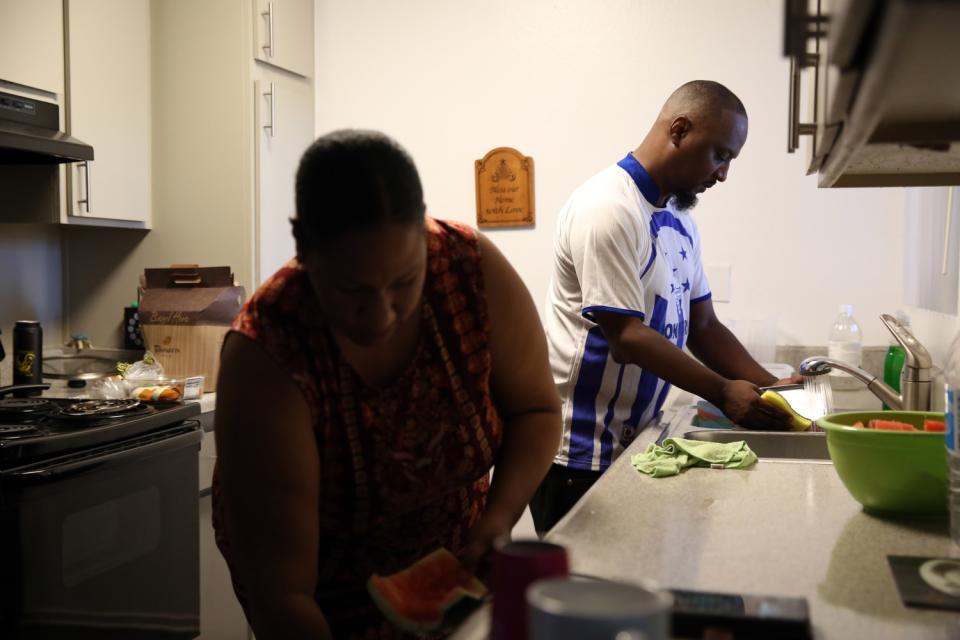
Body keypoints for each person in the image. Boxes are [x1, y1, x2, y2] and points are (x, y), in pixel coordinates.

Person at [212, 130, 560, 639]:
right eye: (352, 289)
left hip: (458, 584)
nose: (382, 316)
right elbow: (283, 597)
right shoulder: (267, 351)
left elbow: (536, 412)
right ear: (302, 244)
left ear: (424, 237)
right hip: (328, 605)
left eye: (404, 282)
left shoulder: (470, 269)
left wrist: (500, 516)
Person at [530, 80, 798, 535]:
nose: (723, 174)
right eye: (720, 155)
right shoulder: (608, 208)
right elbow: (627, 338)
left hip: (636, 445)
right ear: (678, 130)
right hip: (578, 456)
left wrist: (771, 386)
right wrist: (724, 391)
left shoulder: (679, 217)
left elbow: (704, 324)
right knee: (595, 597)